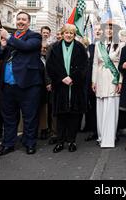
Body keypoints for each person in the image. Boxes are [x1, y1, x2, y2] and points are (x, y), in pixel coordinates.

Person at [0, 12, 43, 156]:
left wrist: (8, 37)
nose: (20, 21)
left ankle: (30, 143)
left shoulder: (35, 37)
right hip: (8, 84)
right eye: (19, 19)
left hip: (28, 84)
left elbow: (25, 47)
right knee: (9, 117)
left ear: (29, 22)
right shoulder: (10, 38)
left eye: (24, 19)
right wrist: (2, 46)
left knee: (29, 116)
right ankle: (8, 143)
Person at [46, 24, 88, 153]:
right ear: (62, 34)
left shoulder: (80, 48)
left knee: (74, 115)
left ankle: (72, 141)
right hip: (60, 86)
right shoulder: (55, 48)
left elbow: (84, 66)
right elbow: (51, 66)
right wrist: (62, 78)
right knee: (61, 115)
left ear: (74, 35)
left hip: (75, 86)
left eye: (71, 33)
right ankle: (60, 141)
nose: (69, 35)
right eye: (66, 33)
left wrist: (73, 78)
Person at [92, 20, 123, 148]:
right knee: (100, 108)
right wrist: (93, 80)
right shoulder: (98, 44)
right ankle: (101, 137)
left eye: (112, 29)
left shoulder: (121, 45)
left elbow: (121, 64)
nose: (109, 31)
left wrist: (120, 80)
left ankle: (109, 138)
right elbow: (95, 63)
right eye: (107, 28)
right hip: (100, 78)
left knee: (111, 108)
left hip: (113, 78)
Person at [84, 24, 103, 142]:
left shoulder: (108, 46)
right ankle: (94, 131)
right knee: (92, 108)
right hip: (91, 81)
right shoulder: (90, 47)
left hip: (104, 81)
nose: (97, 31)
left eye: (99, 29)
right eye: (95, 30)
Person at [38, 40, 51, 140]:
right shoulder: (35, 59)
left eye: (45, 48)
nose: (43, 50)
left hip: (47, 87)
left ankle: (45, 129)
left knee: (45, 110)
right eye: (42, 48)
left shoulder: (49, 59)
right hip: (38, 87)